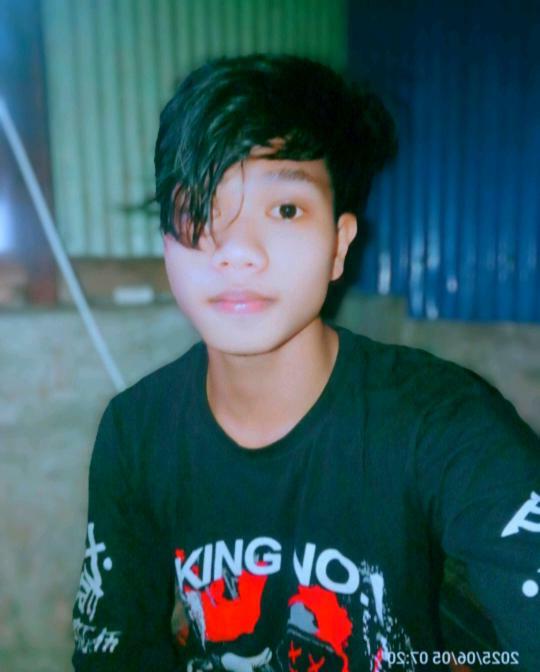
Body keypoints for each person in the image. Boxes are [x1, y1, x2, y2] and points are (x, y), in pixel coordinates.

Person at [71, 54, 540, 672]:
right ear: (167, 245)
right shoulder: (135, 432)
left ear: (339, 245)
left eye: (286, 209)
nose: (237, 250)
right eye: (201, 209)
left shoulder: (443, 420)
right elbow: (113, 650)